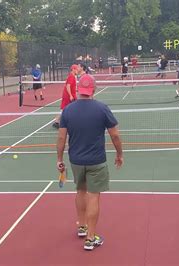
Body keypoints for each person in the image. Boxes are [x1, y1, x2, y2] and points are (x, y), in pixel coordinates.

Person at [56, 74, 123, 251]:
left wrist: (59, 159)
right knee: (93, 196)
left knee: (80, 191)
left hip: (76, 161)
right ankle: (90, 238)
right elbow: (115, 134)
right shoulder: (102, 109)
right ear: (93, 89)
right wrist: (119, 154)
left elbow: (61, 137)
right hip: (96, 161)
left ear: (78, 89)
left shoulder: (68, 110)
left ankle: (82, 226)